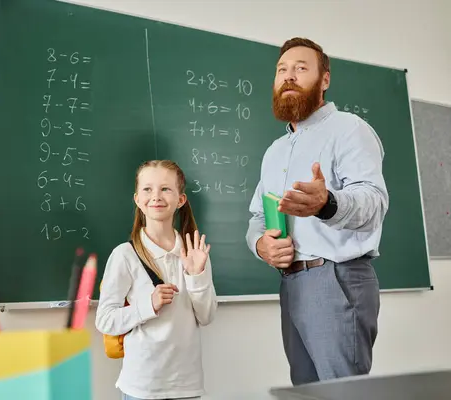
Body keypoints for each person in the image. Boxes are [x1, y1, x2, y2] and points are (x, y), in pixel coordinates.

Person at [245, 37, 389, 386]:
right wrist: (260, 244)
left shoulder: (349, 130)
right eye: (282, 70)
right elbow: (258, 219)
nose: (289, 76)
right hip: (291, 284)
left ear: (324, 80)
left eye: (301, 68)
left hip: (337, 279)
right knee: (305, 393)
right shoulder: (274, 151)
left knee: (344, 394)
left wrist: (328, 204)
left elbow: (373, 202)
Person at [95, 160, 218, 400]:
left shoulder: (195, 252)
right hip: (142, 386)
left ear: (180, 200)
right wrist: (148, 305)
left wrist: (196, 276)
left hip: (186, 384)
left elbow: (206, 316)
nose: (156, 196)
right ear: (137, 199)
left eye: (165, 189)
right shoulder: (125, 255)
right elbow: (105, 320)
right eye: (147, 189)